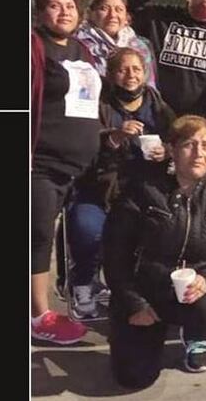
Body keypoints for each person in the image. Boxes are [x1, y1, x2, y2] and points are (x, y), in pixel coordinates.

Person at [103, 116, 206, 388]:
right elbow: (115, 253)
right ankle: (147, 329)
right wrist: (134, 303)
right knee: (133, 378)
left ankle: (197, 335)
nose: (199, 153)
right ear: (172, 150)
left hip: (198, 280)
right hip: (148, 284)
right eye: (189, 145)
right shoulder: (143, 187)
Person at [65, 48, 176, 321]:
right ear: (112, 74)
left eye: (136, 69)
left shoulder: (158, 104)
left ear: (145, 72)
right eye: (123, 70)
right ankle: (83, 283)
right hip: (98, 188)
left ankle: (135, 289)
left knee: (158, 230)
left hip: (142, 188)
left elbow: (179, 138)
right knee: (87, 229)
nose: (130, 75)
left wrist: (168, 151)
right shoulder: (97, 103)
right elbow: (80, 146)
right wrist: (112, 137)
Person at [31, 0, 102, 345]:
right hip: (44, 162)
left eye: (70, 5)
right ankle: (38, 314)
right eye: (55, 6)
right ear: (42, 12)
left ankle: (79, 293)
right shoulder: (34, 47)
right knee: (40, 235)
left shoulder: (83, 49)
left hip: (82, 165)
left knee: (83, 231)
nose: (64, 12)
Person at [73, 0, 158, 85]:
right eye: (104, 8)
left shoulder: (139, 47)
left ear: (126, 16)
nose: (112, 15)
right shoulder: (78, 45)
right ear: (91, 13)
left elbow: (149, 87)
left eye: (119, 9)